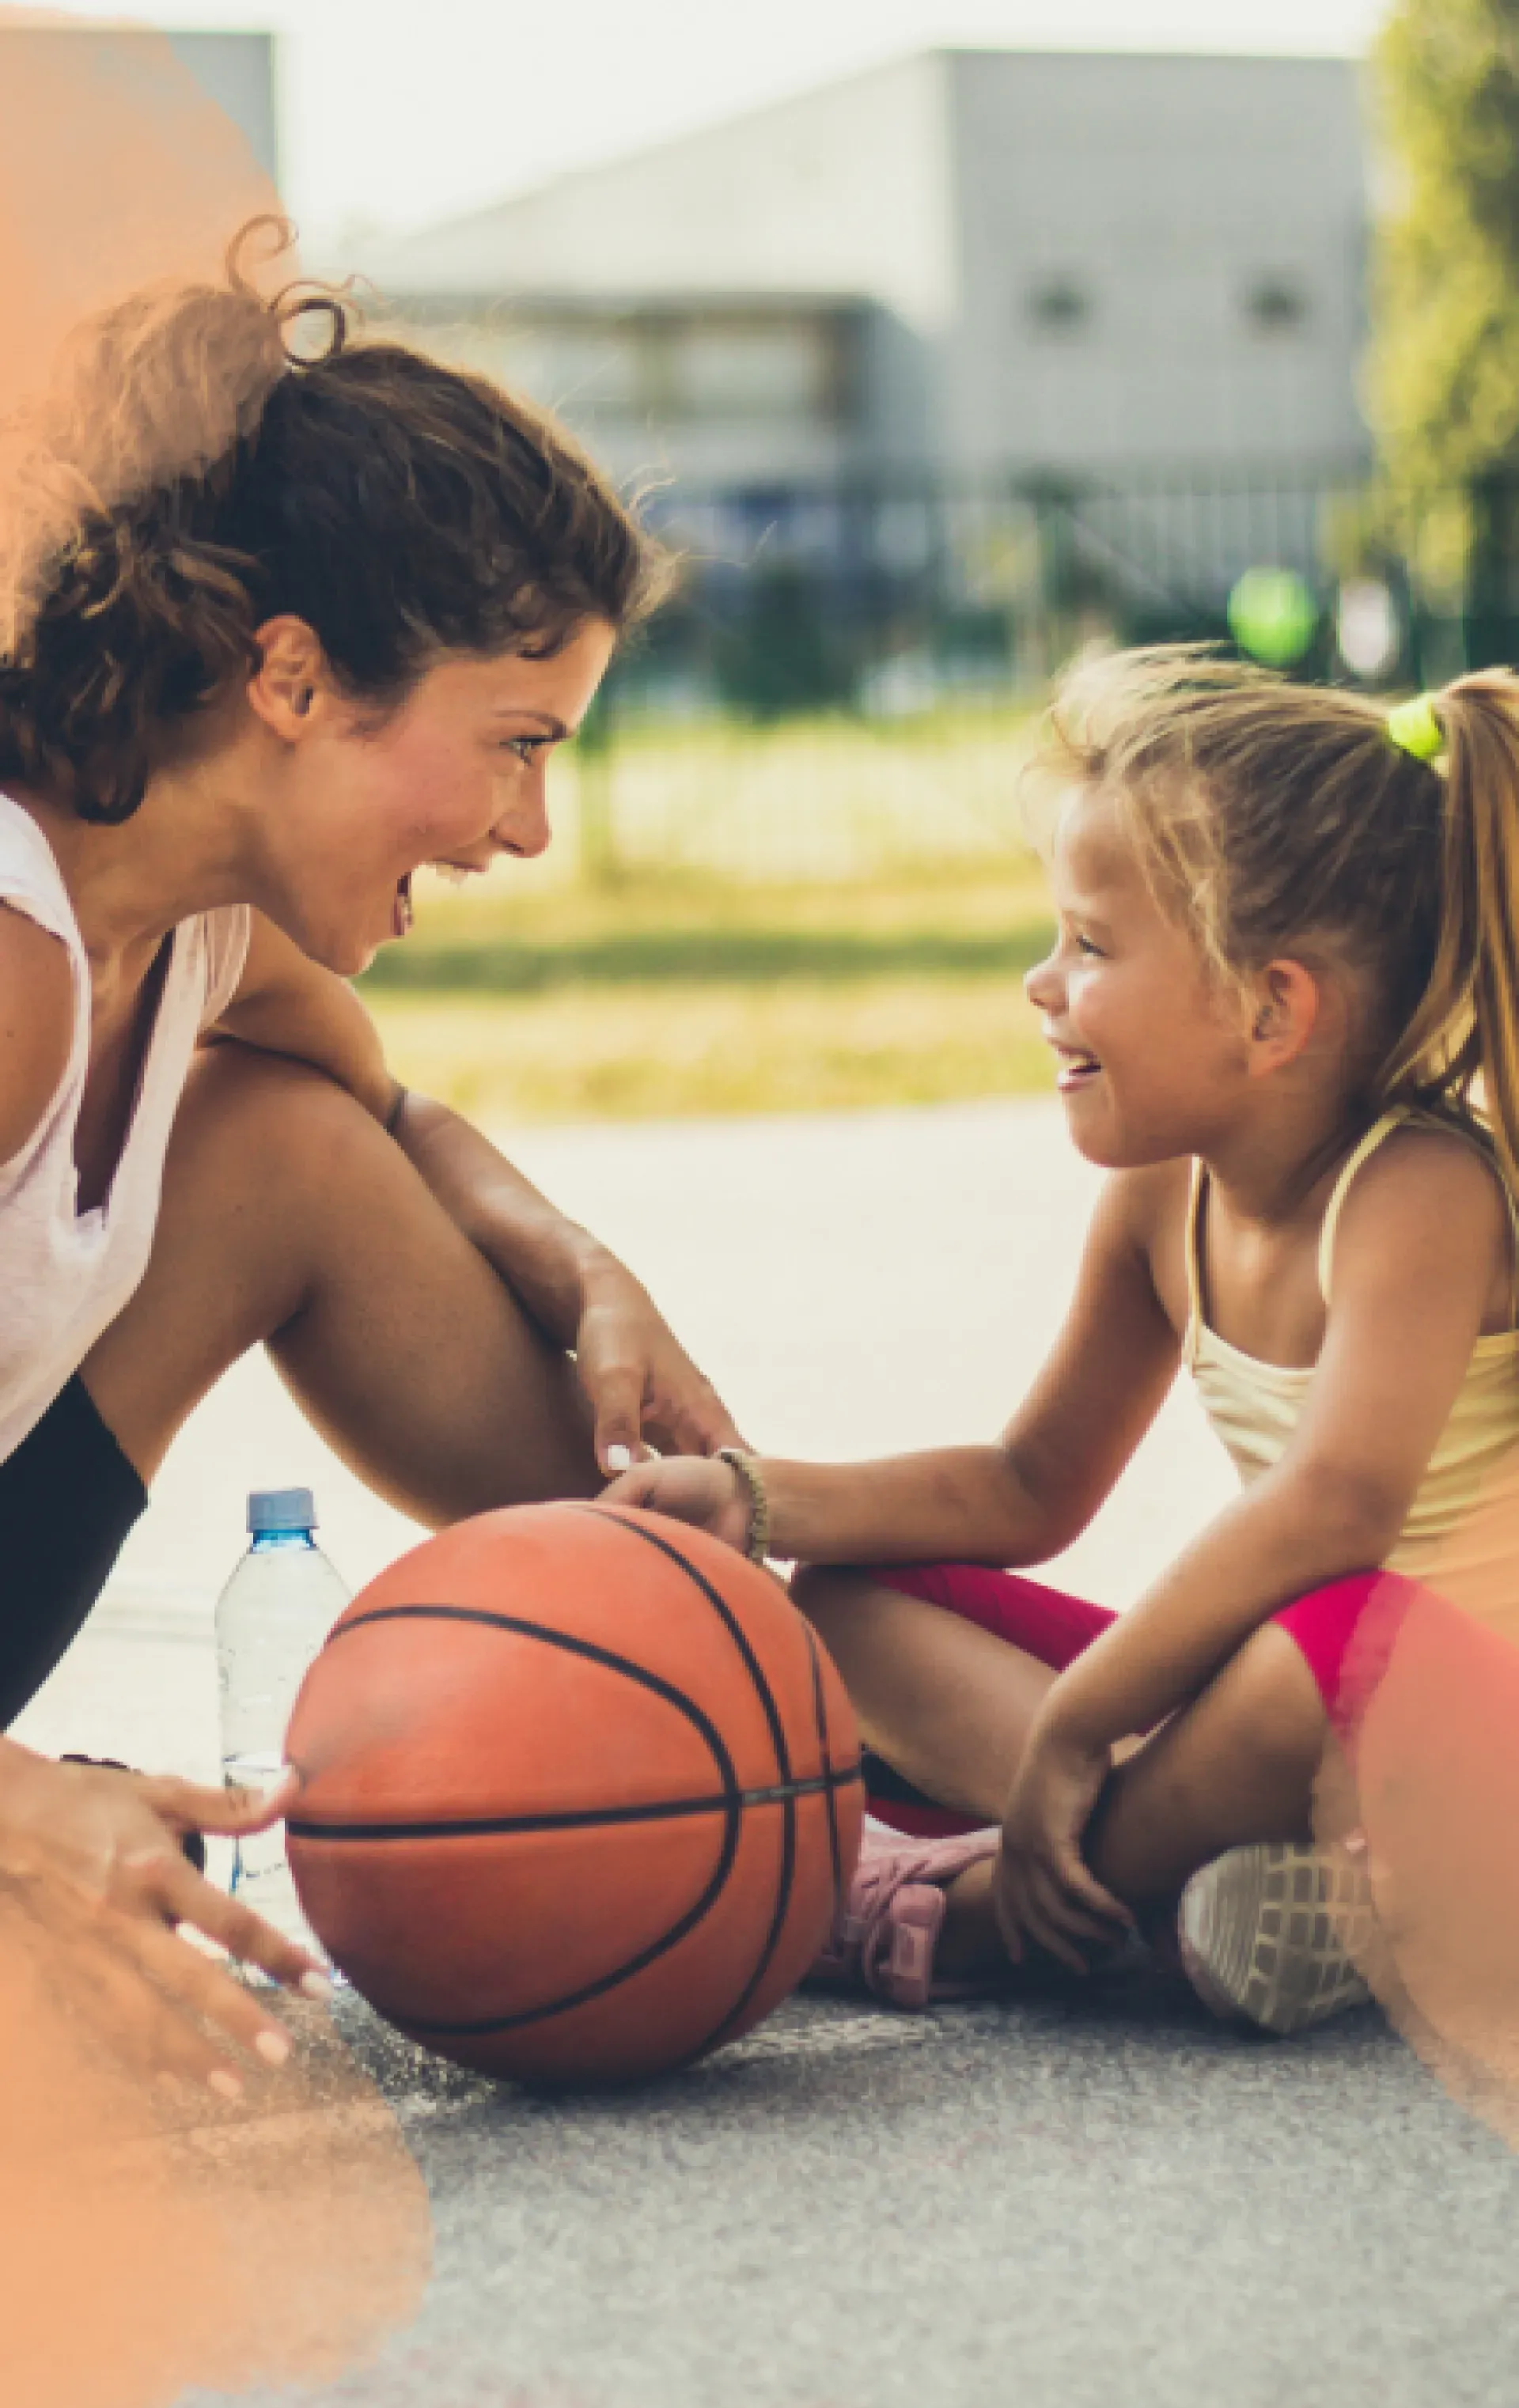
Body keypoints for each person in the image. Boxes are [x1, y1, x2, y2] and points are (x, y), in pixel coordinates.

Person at [0, 237, 737, 2094]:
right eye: (514, 743)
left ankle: (750, 1699)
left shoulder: (199, 939)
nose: (532, 827)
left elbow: (394, 1124)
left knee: (296, 1148)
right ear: (297, 679)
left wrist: (584, 1271)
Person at [608, 649, 1519, 2036]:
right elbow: (1030, 1482)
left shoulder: (1420, 1192)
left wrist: (1076, 1730)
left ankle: (971, 1922)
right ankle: (1214, 1896)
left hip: (1450, 1727)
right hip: (1278, 1738)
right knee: (849, 1599)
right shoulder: (1166, 1194)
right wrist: (755, 1493)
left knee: (1344, 1646)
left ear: (1272, 1008)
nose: (1043, 984)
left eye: (1092, 947)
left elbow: (1337, 1508)